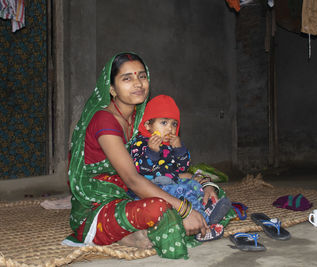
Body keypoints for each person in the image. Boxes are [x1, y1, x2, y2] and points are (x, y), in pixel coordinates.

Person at [64, 52, 235, 259]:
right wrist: (185, 210)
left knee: (213, 195)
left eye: (142, 76)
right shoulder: (104, 120)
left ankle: (154, 229)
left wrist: (205, 183)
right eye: (127, 78)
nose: (138, 83)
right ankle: (132, 232)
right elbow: (133, 179)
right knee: (159, 207)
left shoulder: (140, 118)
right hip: (101, 203)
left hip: (134, 190)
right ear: (111, 89)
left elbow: (166, 167)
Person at [130, 94, 232, 241]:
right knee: (183, 192)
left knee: (194, 185)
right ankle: (204, 225)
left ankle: (206, 206)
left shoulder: (171, 145)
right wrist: (152, 152)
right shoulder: (140, 143)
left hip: (173, 182)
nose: (170, 129)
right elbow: (140, 170)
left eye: (174, 124)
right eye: (164, 123)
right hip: (154, 188)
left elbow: (182, 168)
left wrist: (179, 149)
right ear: (148, 125)